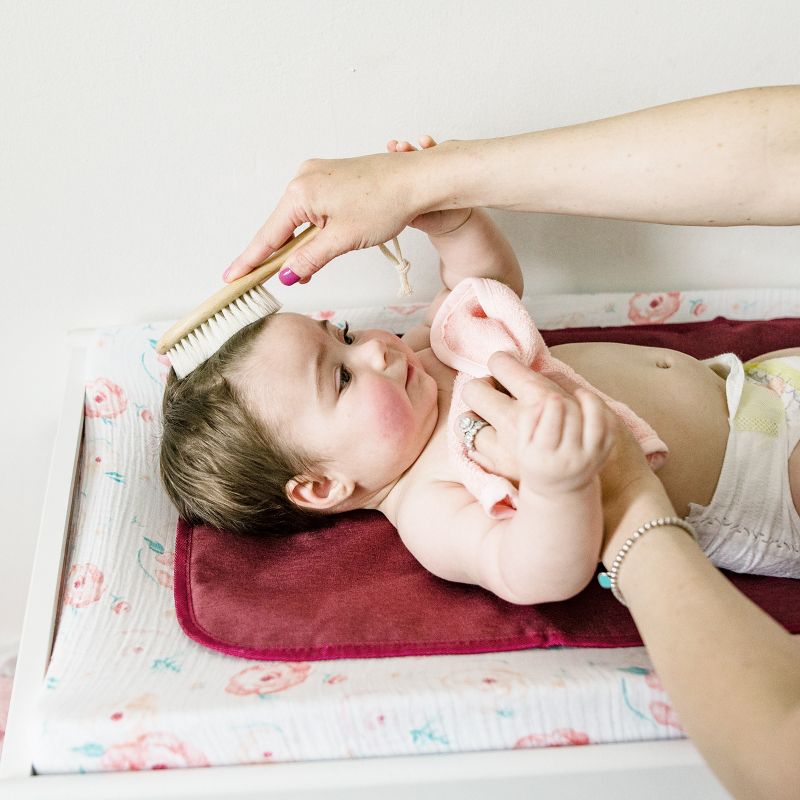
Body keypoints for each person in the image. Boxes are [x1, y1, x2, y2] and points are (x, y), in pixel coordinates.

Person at [218, 86, 800, 799]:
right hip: (761, 474)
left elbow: (487, 288)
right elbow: (531, 571)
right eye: (340, 378)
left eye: (342, 335)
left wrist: (455, 221)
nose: (373, 350)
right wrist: (559, 487)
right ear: (322, 486)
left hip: (758, 384)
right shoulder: (431, 503)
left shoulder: (429, 361)